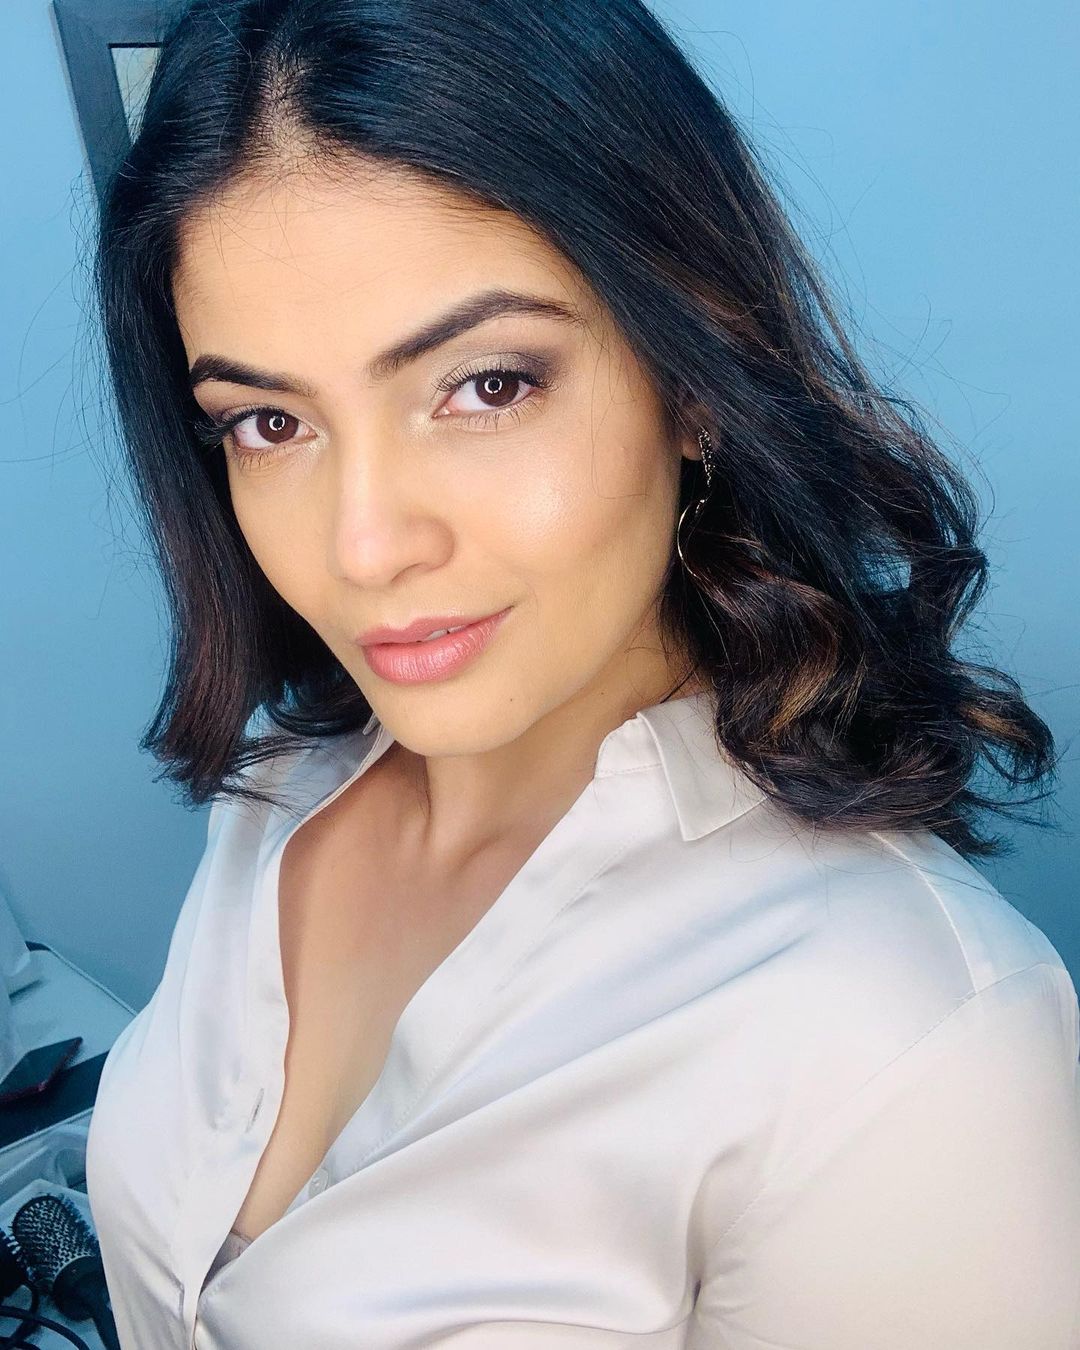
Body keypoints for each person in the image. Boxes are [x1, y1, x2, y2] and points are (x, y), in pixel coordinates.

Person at [81, 0, 1080, 1346]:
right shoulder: (284, 796)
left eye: (486, 386)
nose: (364, 546)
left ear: (695, 369)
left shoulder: (912, 1041)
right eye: (269, 421)